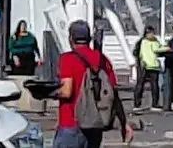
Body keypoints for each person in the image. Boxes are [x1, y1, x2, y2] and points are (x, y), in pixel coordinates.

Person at [52, 20, 133, 148]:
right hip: (95, 125)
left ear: (71, 38)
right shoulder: (102, 60)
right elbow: (113, 94)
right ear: (89, 39)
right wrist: (124, 123)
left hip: (71, 123)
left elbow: (67, 91)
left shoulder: (67, 59)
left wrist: (47, 92)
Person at [133, 26, 166, 112]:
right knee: (142, 85)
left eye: (152, 33)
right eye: (150, 33)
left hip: (152, 65)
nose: (151, 34)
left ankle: (150, 104)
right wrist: (167, 49)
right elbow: (157, 50)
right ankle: (139, 104)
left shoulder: (153, 41)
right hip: (146, 65)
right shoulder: (146, 42)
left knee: (152, 85)